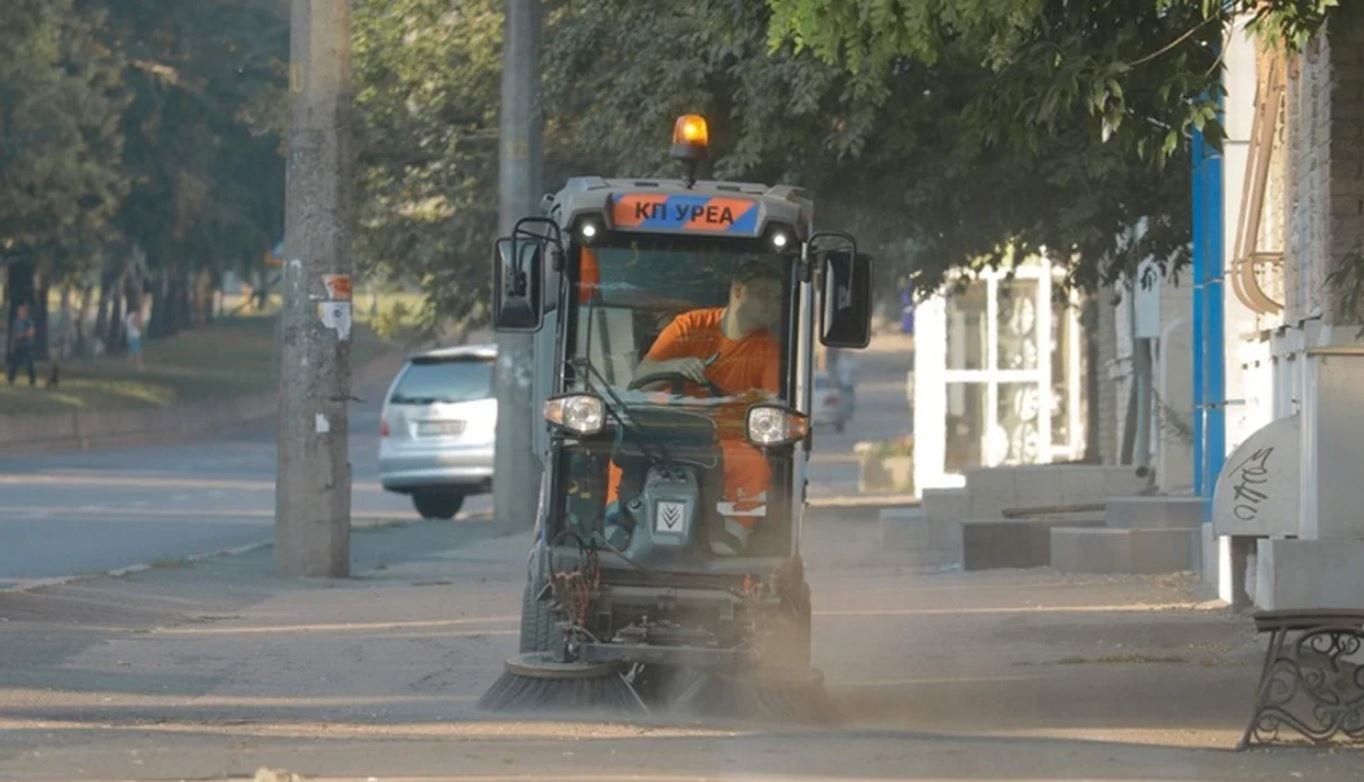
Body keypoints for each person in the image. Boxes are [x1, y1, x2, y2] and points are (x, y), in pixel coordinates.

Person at [618, 260, 783, 555]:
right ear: (738, 291)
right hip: (662, 433)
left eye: (777, 298)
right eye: (765, 295)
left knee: (754, 465)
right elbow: (642, 377)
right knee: (618, 455)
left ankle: (731, 538)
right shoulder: (689, 326)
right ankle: (617, 525)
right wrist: (675, 366)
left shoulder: (767, 349)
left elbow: (770, 404)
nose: (773, 304)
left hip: (724, 441)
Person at [7, 302, 37, 386]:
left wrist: (23, 335)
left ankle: (32, 380)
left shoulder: (29, 321)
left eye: (23, 311)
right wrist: (12, 345)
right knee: (14, 363)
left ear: (26, 312)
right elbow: (14, 334)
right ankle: (10, 379)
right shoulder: (16, 321)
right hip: (18, 346)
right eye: (20, 310)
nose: (21, 312)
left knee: (30, 363)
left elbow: (32, 332)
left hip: (27, 345)